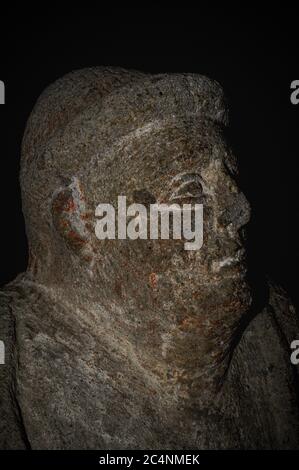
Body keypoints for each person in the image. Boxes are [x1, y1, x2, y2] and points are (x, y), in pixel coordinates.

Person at [0, 67, 298, 449]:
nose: (241, 208)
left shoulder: (274, 322)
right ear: (77, 223)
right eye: (191, 190)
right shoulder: (14, 358)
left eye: (232, 177)